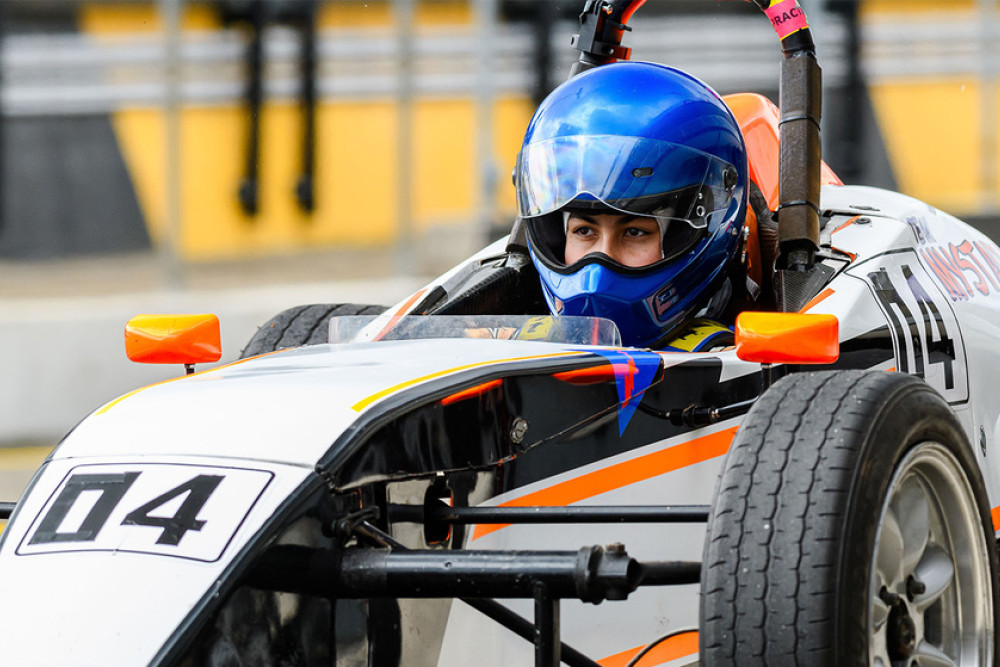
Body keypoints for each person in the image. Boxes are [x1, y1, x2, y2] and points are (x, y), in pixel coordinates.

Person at [514, 61, 752, 351]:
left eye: (636, 231)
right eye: (584, 230)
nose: (599, 263)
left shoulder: (747, 364)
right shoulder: (515, 346)